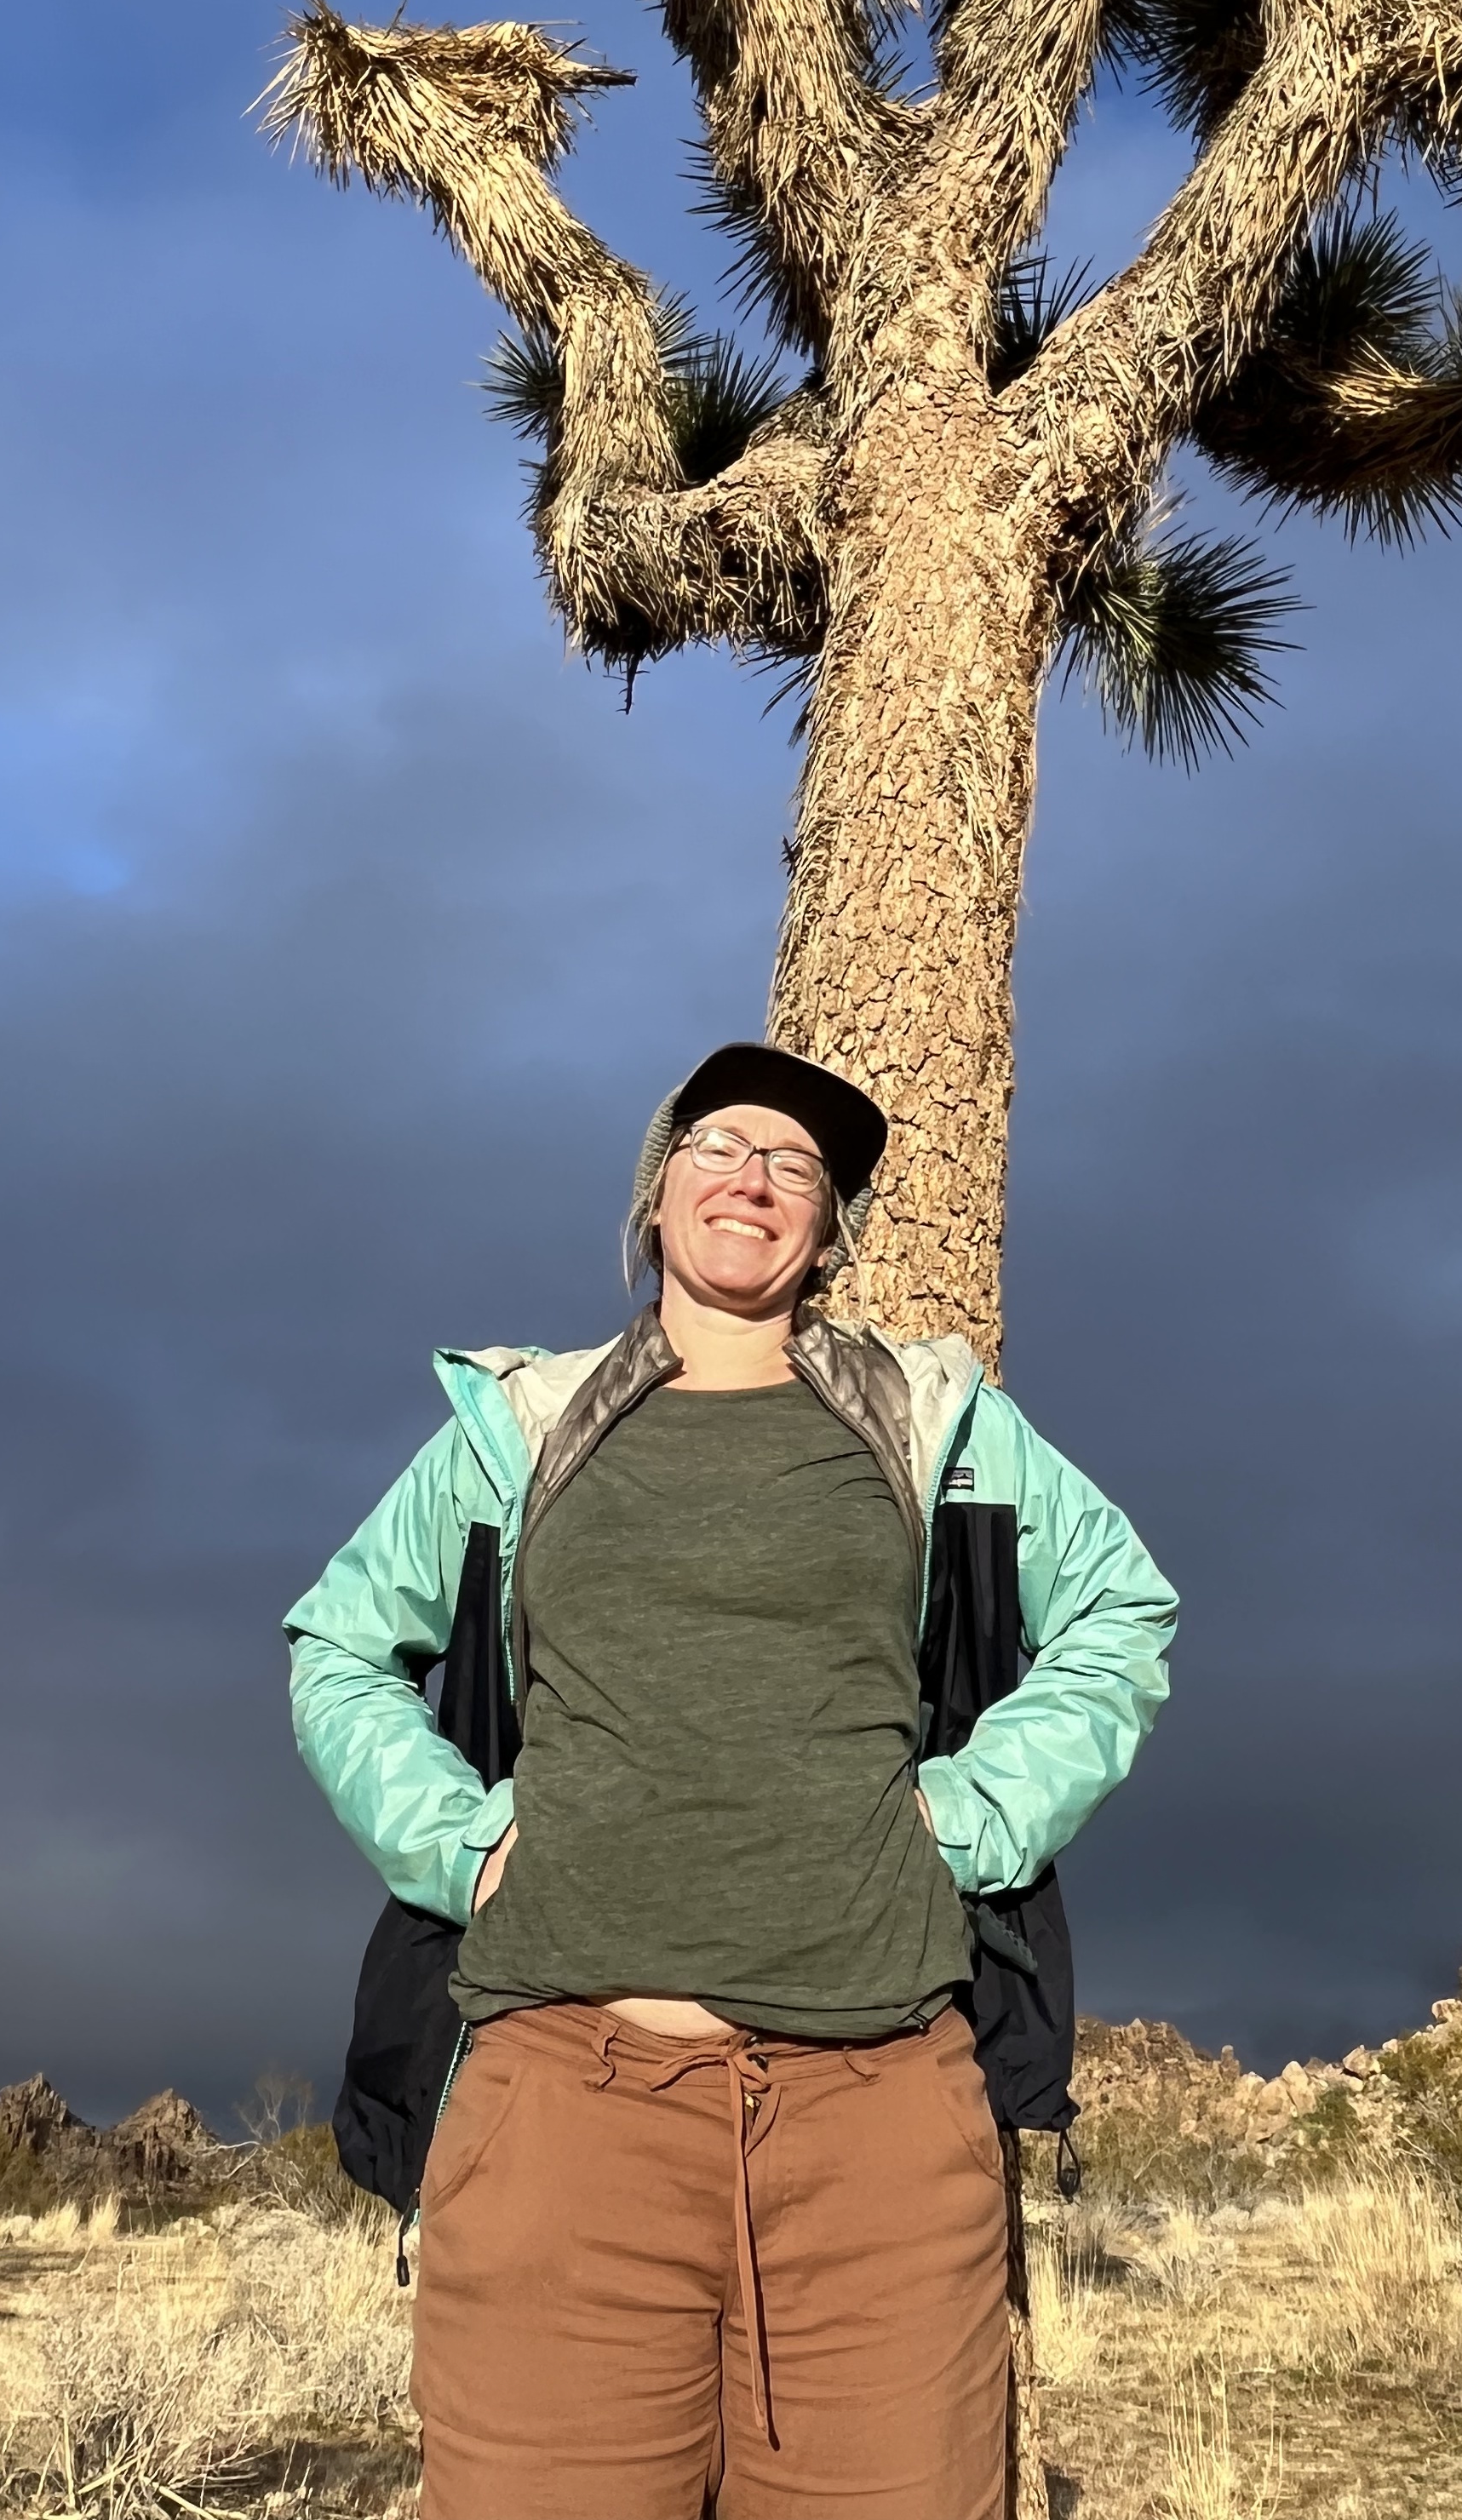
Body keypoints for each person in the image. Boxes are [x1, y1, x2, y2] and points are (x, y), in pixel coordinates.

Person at [284, 1040, 1177, 2520]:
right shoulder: (526, 1424)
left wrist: (969, 1820)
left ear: (827, 1232)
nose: (752, 1177)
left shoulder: (929, 1420)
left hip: (877, 2122)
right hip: (567, 2108)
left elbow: (1120, 1611)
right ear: (656, 1196)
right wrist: (461, 1846)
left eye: (794, 1166)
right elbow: (339, 1646)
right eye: (716, 1145)